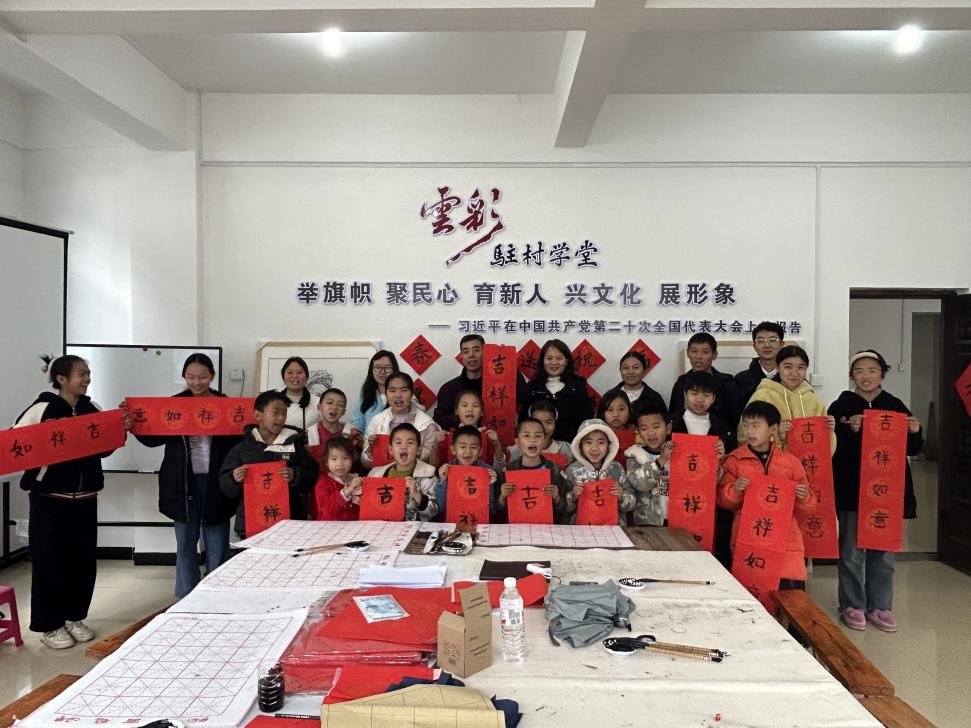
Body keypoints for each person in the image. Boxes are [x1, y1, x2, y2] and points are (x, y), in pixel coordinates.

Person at [14, 354, 130, 649]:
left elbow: (103, 449)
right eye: (81, 374)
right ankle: (50, 625)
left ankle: (73, 616)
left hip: (86, 499)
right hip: (49, 500)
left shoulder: (92, 408)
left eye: (88, 373)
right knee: (50, 561)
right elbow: (17, 443)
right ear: (61, 379)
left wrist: (119, 429)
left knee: (82, 562)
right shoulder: (42, 408)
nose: (87, 379)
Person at [132, 353, 242, 599]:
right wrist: (134, 424)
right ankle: (186, 596)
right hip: (182, 484)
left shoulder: (226, 406)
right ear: (184, 377)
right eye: (191, 377)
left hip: (216, 483)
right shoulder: (174, 406)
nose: (196, 382)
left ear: (212, 376)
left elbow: (239, 441)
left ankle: (216, 595)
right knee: (185, 545)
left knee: (217, 545)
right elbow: (153, 438)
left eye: (202, 377)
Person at [829, 350, 923, 633]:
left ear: (882, 373)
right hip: (852, 488)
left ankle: (880, 606)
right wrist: (849, 431)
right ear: (852, 376)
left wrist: (915, 431)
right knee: (851, 552)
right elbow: (831, 449)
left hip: (886, 493)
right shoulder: (841, 406)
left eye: (872, 370)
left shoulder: (894, 405)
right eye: (859, 371)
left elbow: (913, 449)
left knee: (883, 552)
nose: (866, 376)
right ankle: (852, 604)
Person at [718, 401, 817, 591]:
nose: (749, 431)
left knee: (789, 595)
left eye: (756, 426)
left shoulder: (790, 462)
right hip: (749, 537)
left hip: (786, 540)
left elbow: (809, 506)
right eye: (746, 425)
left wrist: (803, 496)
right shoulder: (735, 460)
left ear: (773, 429)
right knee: (752, 594)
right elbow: (723, 500)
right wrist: (736, 490)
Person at [219, 390, 319, 538]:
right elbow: (224, 485)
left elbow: (313, 475)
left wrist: (296, 475)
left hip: (290, 523)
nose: (281, 418)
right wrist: (234, 479)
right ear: (258, 415)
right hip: (252, 523)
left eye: (284, 413)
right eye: (276, 412)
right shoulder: (242, 448)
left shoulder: (295, 445)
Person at [670, 371, 732, 567]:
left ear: (713, 398)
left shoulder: (721, 426)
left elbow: (729, 467)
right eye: (694, 393)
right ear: (685, 394)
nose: (699, 399)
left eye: (706, 395)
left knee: (707, 549)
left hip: (709, 498)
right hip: (676, 495)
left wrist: (721, 457)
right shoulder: (671, 423)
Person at [739, 345, 836, 454]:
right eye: (788, 367)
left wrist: (829, 432)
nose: (794, 373)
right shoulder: (762, 397)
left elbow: (825, 454)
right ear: (777, 367)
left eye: (801, 367)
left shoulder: (814, 400)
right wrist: (777, 436)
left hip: (806, 463)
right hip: (772, 463)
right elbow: (744, 439)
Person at [433, 334, 529, 430]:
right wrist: (465, 417)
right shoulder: (448, 389)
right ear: (461, 356)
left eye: (476, 350)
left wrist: (506, 359)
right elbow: (438, 420)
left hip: (498, 437)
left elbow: (523, 398)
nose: (471, 355)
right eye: (466, 351)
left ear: (486, 353)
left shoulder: (498, 384)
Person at [562, 419, 635, 526]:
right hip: (581, 529)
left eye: (601, 442)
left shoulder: (616, 469)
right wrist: (573, 496)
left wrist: (621, 497)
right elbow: (562, 506)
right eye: (588, 442)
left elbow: (632, 503)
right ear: (580, 445)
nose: (594, 448)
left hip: (614, 528)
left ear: (609, 445)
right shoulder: (572, 471)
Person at [519, 339, 593, 442]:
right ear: (542, 361)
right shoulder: (533, 386)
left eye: (559, 358)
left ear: (566, 361)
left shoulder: (578, 384)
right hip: (538, 445)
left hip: (570, 445)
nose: (554, 363)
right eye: (549, 358)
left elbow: (586, 420)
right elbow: (523, 420)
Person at [362, 372, 440, 468]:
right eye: (392, 390)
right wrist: (370, 449)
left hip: (416, 475)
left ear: (411, 394)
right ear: (386, 393)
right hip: (383, 474)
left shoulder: (427, 424)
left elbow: (430, 463)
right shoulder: (377, 421)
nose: (398, 395)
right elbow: (366, 464)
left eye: (404, 390)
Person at [669, 333, 745, 430]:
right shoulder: (681, 383)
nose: (698, 356)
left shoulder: (728, 385)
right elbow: (672, 418)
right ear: (688, 353)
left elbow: (736, 423)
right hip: (684, 438)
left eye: (705, 352)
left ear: (714, 355)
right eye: (694, 351)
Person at [498, 418, 568, 523]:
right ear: (517, 441)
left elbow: (564, 508)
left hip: (546, 527)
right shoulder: (509, 470)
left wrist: (556, 497)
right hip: (517, 527)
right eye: (526, 435)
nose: (532, 440)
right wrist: (502, 496)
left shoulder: (554, 469)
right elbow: (498, 509)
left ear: (544, 441)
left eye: (538, 436)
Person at [367, 422, 438, 521]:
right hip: (383, 527)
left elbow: (433, 512)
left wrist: (417, 494)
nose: (404, 446)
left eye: (410, 443)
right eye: (398, 442)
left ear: (418, 450)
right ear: (391, 450)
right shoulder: (376, 475)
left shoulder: (428, 476)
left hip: (415, 528)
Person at [434, 424, 499, 524]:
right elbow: (441, 509)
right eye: (463, 447)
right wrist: (443, 481)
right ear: (453, 450)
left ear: (480, 451)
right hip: (452, 524)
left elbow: (492, 511)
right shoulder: (447, 471)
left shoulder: (487, 472)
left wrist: (489, 486)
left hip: (479, 524)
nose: (468, 452)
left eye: (473, 447)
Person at [625, 405, 674, 527]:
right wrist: (661, 460)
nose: (651, 433)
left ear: (668, 428)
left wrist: (715, 463)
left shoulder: (679, 453)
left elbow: (698, 480)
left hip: (678, 520)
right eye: (644, 428)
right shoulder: (634, 456)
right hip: (647, 524)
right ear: (638, 432)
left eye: (656, 427)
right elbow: (641, 484)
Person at [434, 389, 500, 468]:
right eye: (464, 405)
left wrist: (497, 444)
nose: (470, 410)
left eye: (475, 406)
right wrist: (435, 444)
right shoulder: (448, 437)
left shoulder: (488, 437)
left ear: (482, 412)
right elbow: (434, 468)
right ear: (456, 411)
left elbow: (498, 469)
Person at [501, 401, 573, 470]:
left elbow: (573, 473)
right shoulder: (518, 450)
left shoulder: (565, 449)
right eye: (538, 422)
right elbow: (504, 472)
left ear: (555, 424)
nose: (543, 427)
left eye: (549, 422)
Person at [350, 350, 399, 435]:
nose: (382, 372)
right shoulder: (365, 394)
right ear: (371, 370)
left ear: (394, 369)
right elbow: (357, 425)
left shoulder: (402, 394)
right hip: (369, 442)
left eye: (387, 367)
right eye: (377, 367)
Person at [314, 437, 363, 521]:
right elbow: (327, 509)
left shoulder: (357, 479)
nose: (340, 463)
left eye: (345, 458)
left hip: (354, 526)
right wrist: (345, 493)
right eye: (334, 459)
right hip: (331, 526)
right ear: (326, 461)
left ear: (352, 459)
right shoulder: (323, 483)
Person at [735, 322, 785, 403]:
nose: (767, 345)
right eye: (761, 341)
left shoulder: (791, 377)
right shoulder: (741, 379)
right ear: (754, 346)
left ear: (781, 344)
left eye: (772, 340)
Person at [306, 388, 351, 470]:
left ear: (344, 412)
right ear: (319, 407)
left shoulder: (351, 434)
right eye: (330, 403)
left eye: (340, 405)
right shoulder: (308, 434)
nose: (334, 407)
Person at [616, 351, 667, 415]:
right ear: (620, 370)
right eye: (625, 368)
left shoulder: (654, 398)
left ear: (644, 371)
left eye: (635, 367)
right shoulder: (610, 395)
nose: (630, 372)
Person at [279, 356, 320, 431]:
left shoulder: (319, 403)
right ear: (283, 376)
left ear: (307, 377)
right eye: (290, 372)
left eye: (299, 372)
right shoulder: (273, 401)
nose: (294, 376)